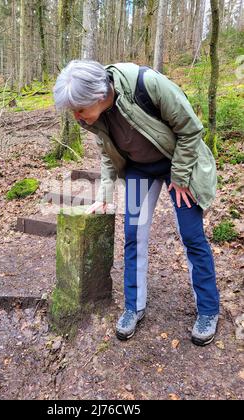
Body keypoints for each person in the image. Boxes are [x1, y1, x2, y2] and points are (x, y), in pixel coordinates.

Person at [53, 60, 220, 347]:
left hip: (178, 164)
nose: (77, 116)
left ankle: (208, 310)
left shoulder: (147, 84)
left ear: (98, 95)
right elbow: (107, 154)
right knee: (133, 236)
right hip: (139, 171)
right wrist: (105, 194)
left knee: (192, 236)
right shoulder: (93, 116)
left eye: (79, 109)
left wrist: (179, 177)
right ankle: (134, 306)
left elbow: (191, 130)